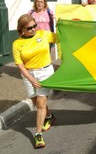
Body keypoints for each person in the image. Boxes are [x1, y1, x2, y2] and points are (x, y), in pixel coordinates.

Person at [12, 14, 58, 148]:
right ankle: (49, 116)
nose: (33, 29)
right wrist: (31, 79)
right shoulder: (17, 44)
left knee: (40, 103)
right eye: (29, 27)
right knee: (35, 101)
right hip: (28, 74)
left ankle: (38, 135)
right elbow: (20, 64)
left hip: (45, 72)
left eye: (34, 26)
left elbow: (61, 37)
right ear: (22, 30)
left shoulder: (43, 34)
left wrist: (65, 23)